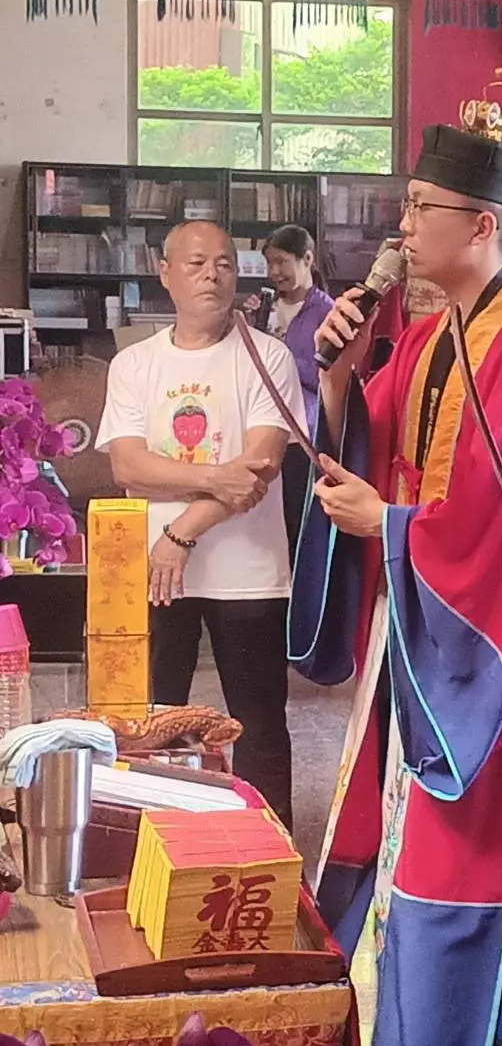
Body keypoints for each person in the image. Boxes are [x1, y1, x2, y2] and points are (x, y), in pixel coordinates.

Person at [288, 115, 502, 1046]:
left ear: (482, 225)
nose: (402, 228)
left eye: (420, 208)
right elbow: (367, 441)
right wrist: (337, 380)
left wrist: (391, 525)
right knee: (400, 854)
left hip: (483, 655)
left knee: (461, 874)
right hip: (415, 626)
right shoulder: (425, 335)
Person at [96, 221, 304, 830]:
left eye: (224, 264)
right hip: (156, 575)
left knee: (259, 721)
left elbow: (259, 469)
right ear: (165, 274)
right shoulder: (134, 364)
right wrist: (218, 477)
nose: (211, 275)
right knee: (148, 721)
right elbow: (128, 467)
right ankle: (151, 841)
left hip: (248, 573)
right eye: (195, 263)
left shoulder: (268, 357)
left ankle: (268, 847)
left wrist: (180, 531)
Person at [243, 225, 335, 559]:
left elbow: (329, 377)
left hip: (301, 432)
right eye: (269, 263)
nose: (274, 272)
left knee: (294, 521)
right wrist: (246, 327)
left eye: (281, 262)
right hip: (257, 425)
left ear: (307, 259)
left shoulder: (328, 313)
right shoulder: (265, 307)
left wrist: (279, 357)